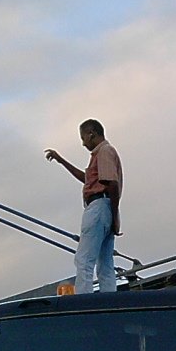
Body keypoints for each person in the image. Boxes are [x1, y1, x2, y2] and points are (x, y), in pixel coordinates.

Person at [45, 119, 123, 294]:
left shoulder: (104, 151)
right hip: (106, 207)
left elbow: (112, 184)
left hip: (99, 207)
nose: (83, 143)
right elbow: (87, 178)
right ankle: (108, 301)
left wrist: (113, 212)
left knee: (84, 260)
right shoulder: (103, 154)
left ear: (91, 134)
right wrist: (61, 160)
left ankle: (84, 302)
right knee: (105, 263)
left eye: (83, 138)